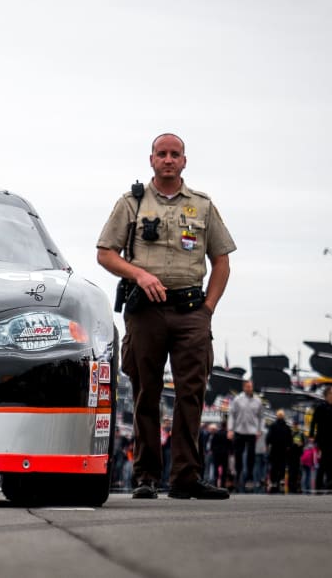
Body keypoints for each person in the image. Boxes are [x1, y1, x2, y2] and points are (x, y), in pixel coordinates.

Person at [97, 133, 235, 500]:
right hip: (146, 311)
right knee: (146, 393)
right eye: (162, 154)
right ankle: (146, 476)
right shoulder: (131, 203)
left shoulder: (202, 206)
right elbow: (105, 253)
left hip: (191, 311)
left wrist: (208, 309)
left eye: (175, 154)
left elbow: (221, 261)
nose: (168, 159)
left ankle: (186, 478)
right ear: (152, 160)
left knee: (192, 393)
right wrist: (139, 275)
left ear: (184, 161)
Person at [228, 379, 264, 492]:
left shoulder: (257, 401)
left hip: (252, 432)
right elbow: (231, 415)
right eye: (247, 387)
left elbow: (261, 417)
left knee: (251, 456)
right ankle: (238, 476)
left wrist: (260, 430)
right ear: (244, 387)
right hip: (239, 431)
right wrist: (230, 429)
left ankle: (249, 478)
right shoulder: (237, 399)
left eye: (251, 387)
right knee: (238, 455)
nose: (249, 388)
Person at [309, 385, 332, 491]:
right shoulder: (320, 407)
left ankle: (331, 483)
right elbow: (313, 422)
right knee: (323, 462)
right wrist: (311, 435)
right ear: (327, 395)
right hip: (322, 439)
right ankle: (319, 485)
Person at [264, 409, 292, 493]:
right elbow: (290, 439)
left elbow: (268, 437)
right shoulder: (287, 427)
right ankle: (281, 479)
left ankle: (274, 480)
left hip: (274, 449)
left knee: (274, 466)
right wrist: (288, 447)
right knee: (282, 466)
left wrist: (267, 445)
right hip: (283, 450)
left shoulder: (273, 426)